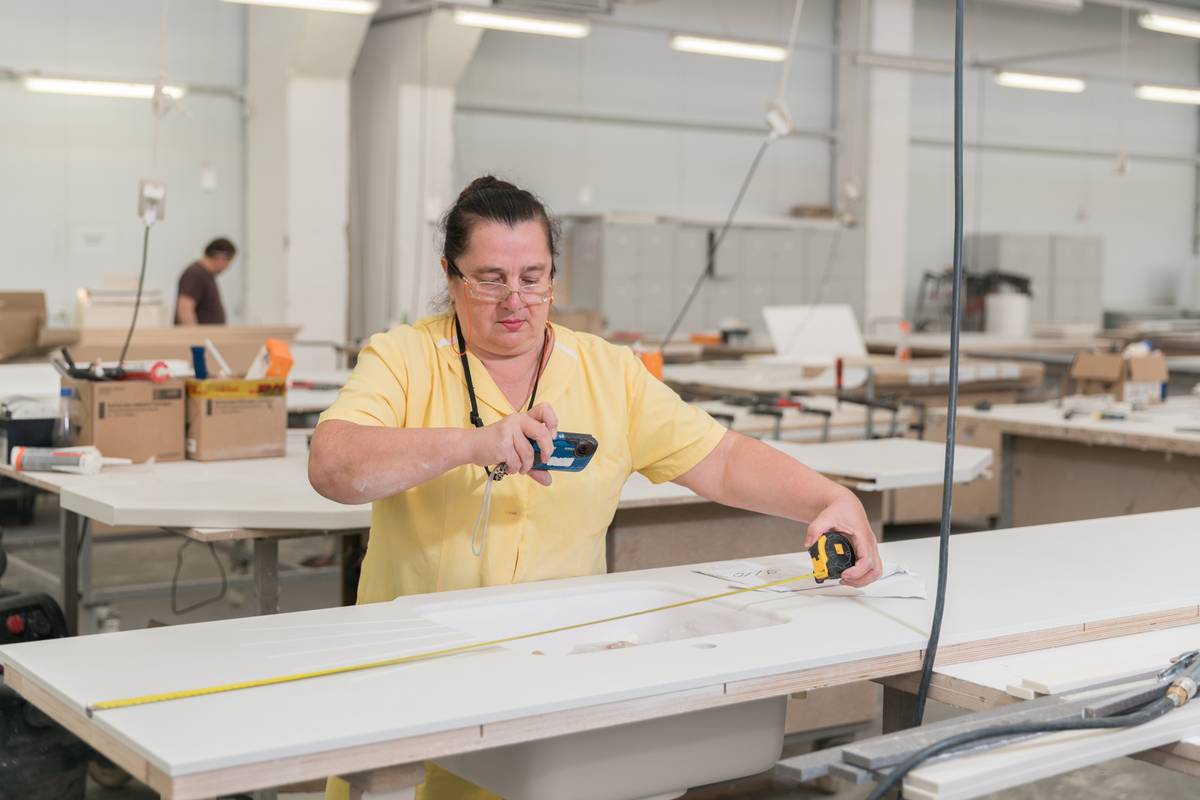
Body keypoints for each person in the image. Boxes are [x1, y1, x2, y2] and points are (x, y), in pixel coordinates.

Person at [309, 176, 883, 800]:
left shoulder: (608, 373)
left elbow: (720, 459)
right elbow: (334, 465)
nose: (515, 301)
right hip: (415, 683)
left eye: (533, 278)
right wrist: (472, 444)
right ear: (450, 276)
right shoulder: (404, 358)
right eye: (490, 280)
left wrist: (829, 498)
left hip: (556, 689)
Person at [174, 237, 236, 325]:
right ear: (220, 257)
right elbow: (184, 308)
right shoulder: (195, 274)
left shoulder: (206, 275)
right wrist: (194, 333)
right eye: (229, 260)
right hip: (199, 334)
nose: (228, 266)